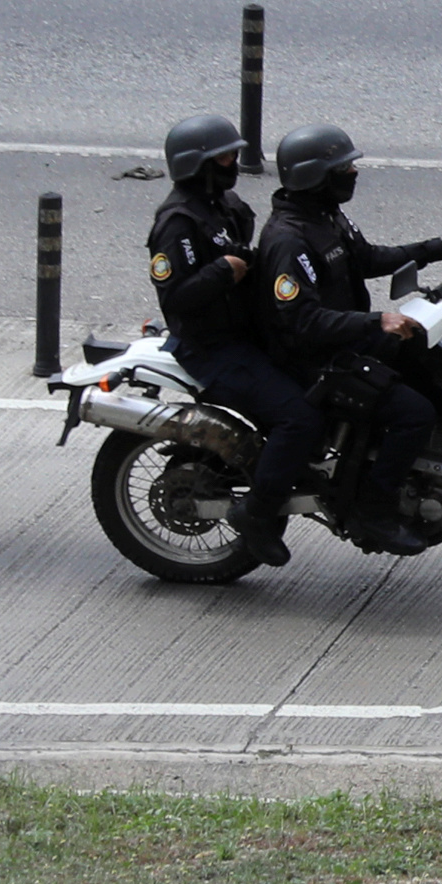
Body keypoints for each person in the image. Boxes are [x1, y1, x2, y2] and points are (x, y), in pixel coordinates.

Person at [251, 122, 442, 558]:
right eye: (341, 167)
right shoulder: (289, 239)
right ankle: (374, 511)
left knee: (433, 364)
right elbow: (302, 322)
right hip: (316, 361)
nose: (352, 173)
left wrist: (436, 247)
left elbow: (365, 258)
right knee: (413, 414)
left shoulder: (324, 216)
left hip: (345, 343)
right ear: (314, 175)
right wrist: (376, 322)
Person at [145, 113, 315, 569]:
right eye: (223, 156)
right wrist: (224, 271)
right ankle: (257, 517)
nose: (233, 162)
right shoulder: (177, 223)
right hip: (213, 350)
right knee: (296, 418)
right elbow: (176, 296)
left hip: (247, 336)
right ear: (195, 164)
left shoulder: (224, 205)